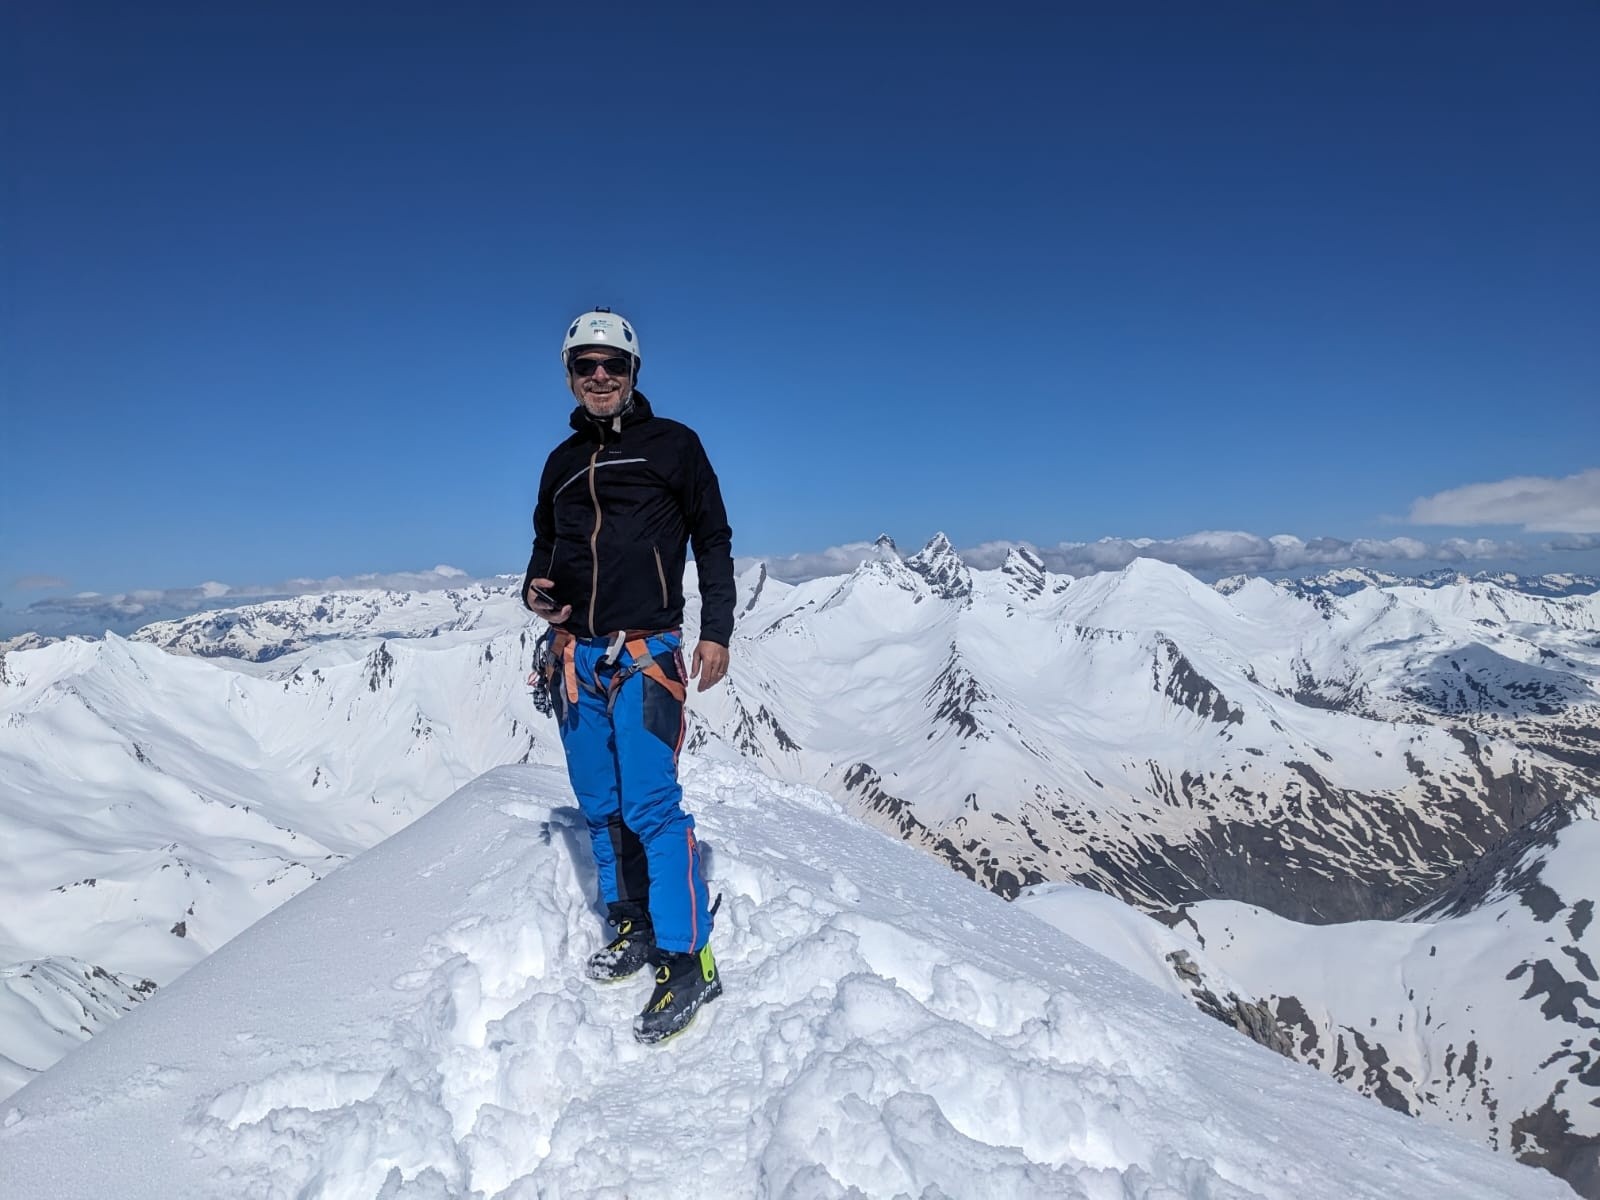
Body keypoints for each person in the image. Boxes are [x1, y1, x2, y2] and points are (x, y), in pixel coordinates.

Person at [522, 307, 735, 1044]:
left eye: (613, 364)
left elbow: (711, 536)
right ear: (571, 375)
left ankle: (686, 957)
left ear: (635, 371)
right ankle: (632, 922)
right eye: (586, 365)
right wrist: (535, 592)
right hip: (574, 658)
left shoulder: (673, 447)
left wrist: (718, 631)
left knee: (651, 805)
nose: (601, 376)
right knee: (600, 803)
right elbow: (546, 549)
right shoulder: (558, 463)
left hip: (646, 655)